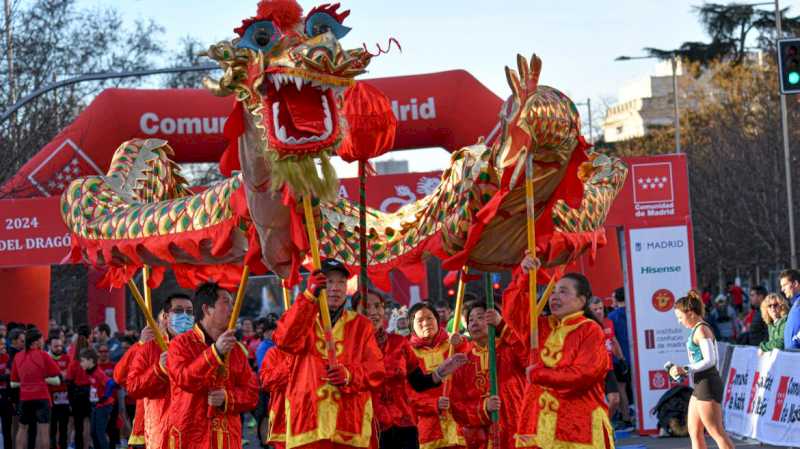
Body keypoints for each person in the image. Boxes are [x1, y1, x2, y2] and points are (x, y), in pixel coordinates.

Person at [502, 254, 614, 448]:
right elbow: (512, 313)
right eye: (553, 291)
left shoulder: (590, 330)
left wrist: (541, 374)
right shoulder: (542, 327)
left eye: (563, 292)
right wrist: (523, 276)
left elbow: (584, 374)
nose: (554, 296)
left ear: (581, 301)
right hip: (537, 425)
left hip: (577, 428)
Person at [272, 259, 385, 449]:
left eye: (341, 282)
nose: (335, 288)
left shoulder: (361, 325)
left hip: (349, 424)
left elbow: (376, 370)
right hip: (307, 423)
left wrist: (349, 375)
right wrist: (308, 297)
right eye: (329, 281)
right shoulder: (302, 317)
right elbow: (285, 340)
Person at [355, 288, 467, 449]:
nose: (374, 312)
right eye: (366, 308)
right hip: (370, 426)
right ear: (355, 313)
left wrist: (441, 371)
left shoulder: (399, 343)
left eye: (378, 306)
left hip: (404, 426)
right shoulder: (351, 346)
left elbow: (418, 382)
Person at [164, 282, 259, 449]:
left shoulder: (236, 349)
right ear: (207, 309)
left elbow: (251, 393)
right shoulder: (181, 343)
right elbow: (184, 379)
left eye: (232, 302)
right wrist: (215, 352)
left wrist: (227, 398)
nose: (232, 307)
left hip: (227, 439)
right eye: (226, 302)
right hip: (190, 437)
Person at [450, 300, 525, 449]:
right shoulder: (463, 360)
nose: (475, 322)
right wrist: (484, 407)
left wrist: (502, 325)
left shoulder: (508, 348)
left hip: (514, 427)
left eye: (481, 317)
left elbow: (528, 356)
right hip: (480, 439)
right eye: (471, 320)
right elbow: (456, 406)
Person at [126, 293, 194, 449]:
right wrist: (158, 370)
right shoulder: (150, 347)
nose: (185, 316)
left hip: (194, 435)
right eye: (178, 310)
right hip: (161, 435)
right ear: (165, 316)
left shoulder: (202, 347)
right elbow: (133, 387)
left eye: (189, 312)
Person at [671, 291, 734, 449]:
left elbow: (710, 360)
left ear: (690, 313)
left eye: (680, 317)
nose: (679, 322)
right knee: (694, 431)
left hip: (708, 383)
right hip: (700, 384)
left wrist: (685, 369)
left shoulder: (701, 329)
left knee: (716, 432)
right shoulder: (696, 329)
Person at [407, 302, 466, 449]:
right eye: (420, 320)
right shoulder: (408, 354)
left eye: (430, 318)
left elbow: (469, 373)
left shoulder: (452, 345)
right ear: (411, 326)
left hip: (461, 427)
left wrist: (461, 344)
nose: (426, 323)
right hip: (429, 433)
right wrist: (433, 404)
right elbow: (407, 396)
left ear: (437, 320)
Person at [10, 328, 61, 449]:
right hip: (42, 396)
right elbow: (56, 372)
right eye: (42, 339)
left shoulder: (18, 356)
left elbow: (14, 380)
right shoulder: (43, 355)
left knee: (22, 429)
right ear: (36, 342)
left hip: (25, 397)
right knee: (43, 431)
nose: (43, 341)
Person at [589, 296, 625, 422]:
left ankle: (605, 424)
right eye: (595, 309)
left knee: (615, 400)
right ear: (589, 311)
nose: (599, 311)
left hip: (608, 367)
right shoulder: (586, 325)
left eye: (600, 308)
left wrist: (621, 359)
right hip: (592, 370)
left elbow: (613, 341)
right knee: (594, 403)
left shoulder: (608, 322)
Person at [606, 286, 633, 427]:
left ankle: (626, 417)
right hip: (636, 356)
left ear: (616, 299)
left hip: (619, 358)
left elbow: (613, 339)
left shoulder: (612, 317)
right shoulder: (633, 312)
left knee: (621, 389)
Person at [79, 348, 115, 449]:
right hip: (96, 406)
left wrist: (105, 396)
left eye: (82, 361)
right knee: (93, 432)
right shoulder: (90, 372)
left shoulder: (98, 373)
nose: (80, 364)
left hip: (103, 406)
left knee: (99, 432)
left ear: (90, 361)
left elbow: (111, 383)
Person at [66, 325, 92, 449]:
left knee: (77, 424)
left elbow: (69, 381)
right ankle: (87, 446)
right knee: (87, 422)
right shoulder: (92, 359)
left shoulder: (74, 362)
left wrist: (70, 399)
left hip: (77, 393)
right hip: (90, 392)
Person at [47, 337, 71, 449]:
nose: (58, 348)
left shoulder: (67, 358)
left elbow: (69, 375)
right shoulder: (47, 359)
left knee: (63, 427)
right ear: (50, 347)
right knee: (52, 428)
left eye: (60, 346)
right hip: (50, 398)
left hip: (65, 398)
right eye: (55, 346)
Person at [778, 269, 800, 350]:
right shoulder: (795, 304)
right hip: (792, 356)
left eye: (785, 285)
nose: (782, 289)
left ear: (795, 284)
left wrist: (796, 341)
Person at [0, 339, 12, 449]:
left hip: (5, 395)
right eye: (0, 344)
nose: (3, 346)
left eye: (4, 344)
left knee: (6, 428)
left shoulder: (7, 357)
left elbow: (10, 376)